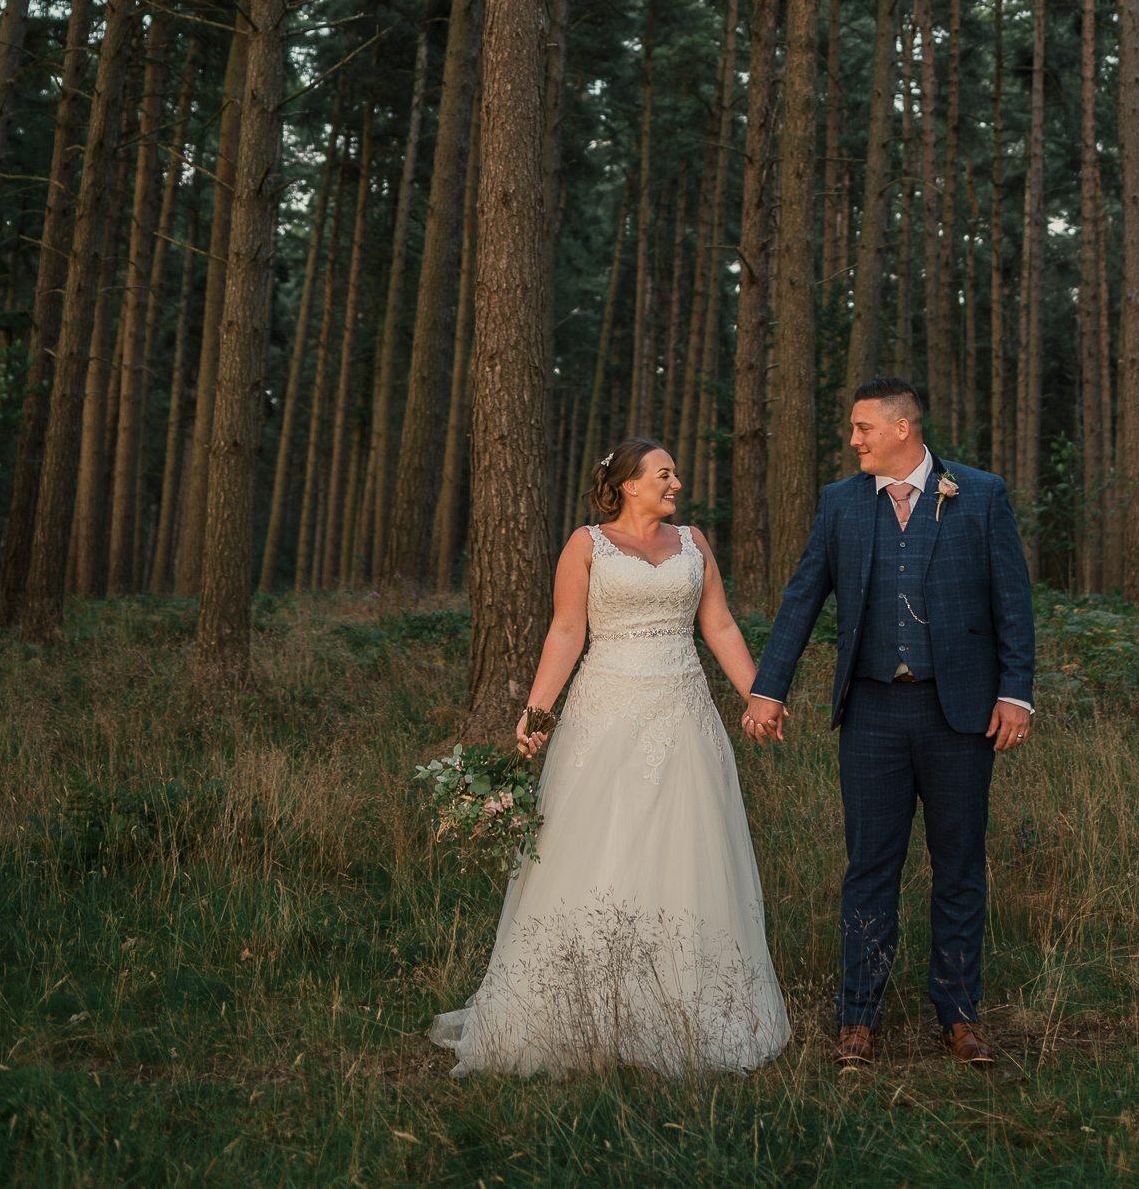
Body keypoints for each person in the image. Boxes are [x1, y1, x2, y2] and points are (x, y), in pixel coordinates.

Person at [431, 440, 789, 1075]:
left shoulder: (694, 544)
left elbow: (722, 626)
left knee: (686, 849)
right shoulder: (586, 545)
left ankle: (685, 1007)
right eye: (664, 473)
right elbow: (567, 630)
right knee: (599, 845)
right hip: (606, 713)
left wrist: (759, 696)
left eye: (674, 472)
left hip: (682, 713)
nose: (676, 482)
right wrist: (537, 713)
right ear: (628, 485)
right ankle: (576, 1008)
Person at [743, 378, 1034, 1071]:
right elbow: (802, 597)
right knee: (870, 866)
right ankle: (857, 1019)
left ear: (902, 429)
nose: (852, 440)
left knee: (958, 865)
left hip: (959, 713)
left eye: (861, 427)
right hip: (871, 712)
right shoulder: (841, 504)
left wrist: (1015, 696)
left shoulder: (980, 494)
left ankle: (959, 1014)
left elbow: (1012, 602)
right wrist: (767, 689)